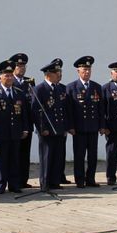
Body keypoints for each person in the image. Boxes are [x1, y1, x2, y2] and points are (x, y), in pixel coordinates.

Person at [0, 60, 29, 194]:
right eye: (6, 76)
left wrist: (25, 128)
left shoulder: (18, 92)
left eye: (10, 75)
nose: (9, 78)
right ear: (0, 77)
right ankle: (1, 184)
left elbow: (24, 112)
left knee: (15, 158)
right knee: (2, 159)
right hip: (0, 132)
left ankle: (14, 184)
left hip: (15, 131)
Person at [32, 59, 71, 191]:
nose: (59, 74)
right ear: (48, 74)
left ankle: (55, 181)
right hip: (47, 130)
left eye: (59, 72)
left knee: (58, 157)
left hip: (60, 129)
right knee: (47, 157)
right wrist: (42, 128)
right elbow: (37, 112)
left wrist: (66, 127)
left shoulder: (62, 88)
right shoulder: (39, 89)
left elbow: (65, 110)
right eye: (56, 72)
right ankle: (45, 183)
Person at [66, 55, 104, 187]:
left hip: (93, 127)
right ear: (78, 71)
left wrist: (102, 126)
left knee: (93, 156)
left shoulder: (96, 87)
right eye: (84, 70)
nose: (87, 72)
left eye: (89, 69)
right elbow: (69, 110)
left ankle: (91, 179)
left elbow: (101, 108)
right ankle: (80, 179)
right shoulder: (71, 87)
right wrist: (70, 126)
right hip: (79, 128)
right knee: (79, 156)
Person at [10, 53, 36, 188]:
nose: (22, 68)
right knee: (14, 153)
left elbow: (33, 101)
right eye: (19, 65)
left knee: (25, 153)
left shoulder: (29, 82)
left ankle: (23, 179)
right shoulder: (9, 81)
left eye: (23, 66)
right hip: (14, 122)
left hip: (27, 122)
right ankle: (14, 180)